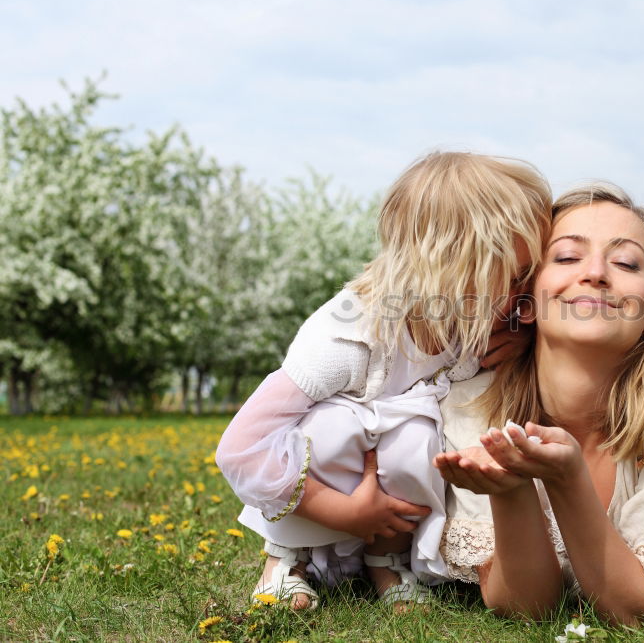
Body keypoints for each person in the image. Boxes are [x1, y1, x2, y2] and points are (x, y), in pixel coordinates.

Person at [215, 151, 551, 610]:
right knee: (334, 426)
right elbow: (241, 447)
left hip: (385, 511)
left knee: (417, 433)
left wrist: (519, 341)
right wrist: (343, 512)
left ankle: (386, 561)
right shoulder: (348, 336)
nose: (525, 296)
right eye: (517, 278)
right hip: (326, 496)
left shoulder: (468, 328)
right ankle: (285, 560)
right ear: (452, 268)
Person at [433, 184, 644, 625]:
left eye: (626, 262)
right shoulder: (472, 404)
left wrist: (568, 480)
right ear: (526, 302)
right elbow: (526, 609)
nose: (596, 272)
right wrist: (510, 487)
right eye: (568, 257)